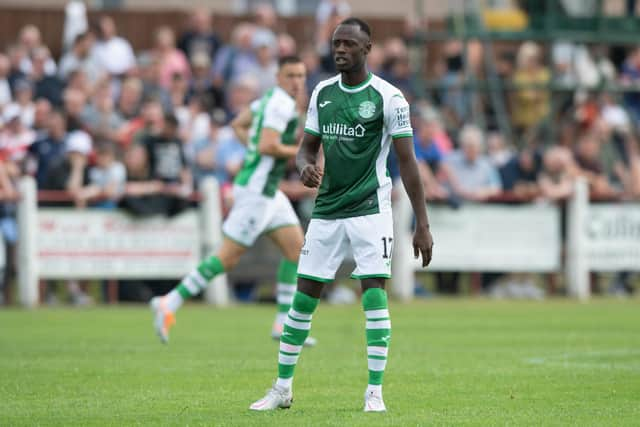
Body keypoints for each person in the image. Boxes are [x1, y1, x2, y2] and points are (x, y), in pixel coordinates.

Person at [250, 18, 433, 413]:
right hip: (328, 210)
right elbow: (305, 148)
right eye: (336, 43)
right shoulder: (322, 93)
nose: (340, 50)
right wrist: (303, 166)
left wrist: (423, 223)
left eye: (349, 44)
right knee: (304, 297)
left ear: (367, 50)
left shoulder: (389, 98)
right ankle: (282, 388)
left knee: (374, 295)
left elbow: (408, 162)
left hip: (371, 209)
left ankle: (374, 393)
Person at [150, 56, 317, 346]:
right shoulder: (281, 105)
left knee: (296, 249)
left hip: (267, 191)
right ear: (277, 76)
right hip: (256, 193)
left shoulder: (268, 100)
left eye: (301, 76)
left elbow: (240, 124)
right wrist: (300, 153)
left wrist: (254, 149)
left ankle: (282, 323)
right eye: (291, 75)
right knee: (227, 257)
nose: (297, 82)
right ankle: (169, 301)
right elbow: (267, 145)